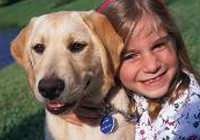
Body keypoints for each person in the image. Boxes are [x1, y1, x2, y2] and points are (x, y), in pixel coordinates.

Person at [65, 0, 200, 139]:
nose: (152, 66)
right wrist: (74, 105)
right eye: (130, 56)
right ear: (106, 60)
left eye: (159, 45)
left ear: (175, 41)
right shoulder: (122, 90)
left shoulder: (188, 115)